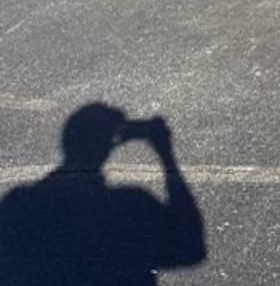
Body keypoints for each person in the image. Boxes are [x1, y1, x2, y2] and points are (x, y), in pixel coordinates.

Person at [0, 103, 206, 285]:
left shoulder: (20, 204)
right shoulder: (130, 206)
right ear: (111, 145)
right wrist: (166, 155)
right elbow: (191, 248)